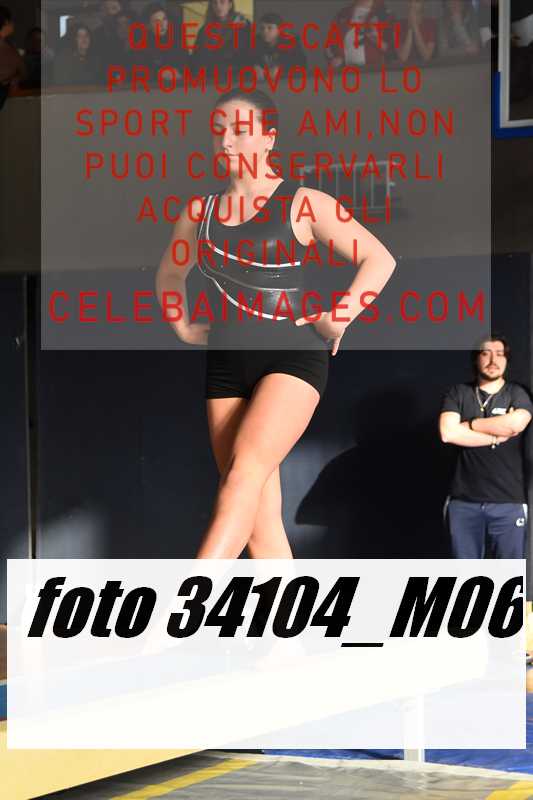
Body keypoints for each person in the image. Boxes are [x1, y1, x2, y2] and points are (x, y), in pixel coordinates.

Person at [156, 88, 396, 559]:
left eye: (240, 130)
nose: (227, 141)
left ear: (269, 138)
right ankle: (289, 611)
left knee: (242, 475)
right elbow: (169, 273)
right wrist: (182, 326)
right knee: (259, 524)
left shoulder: (304, 202)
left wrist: (341, 315)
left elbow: (378, 258)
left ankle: (185, 600)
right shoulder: (200, 213)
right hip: (226, 363)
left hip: (292, 356)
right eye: (219, 130)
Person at [439, 335, 533, 558]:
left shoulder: (517, 393)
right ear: (476, 359)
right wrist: (495, 437)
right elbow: (448, 433)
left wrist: (471, 425)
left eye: (500, 354)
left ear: (506, 360)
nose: (493, 360)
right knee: (465, 574)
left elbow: (515, 424)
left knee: (509, 574)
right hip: (463, 502)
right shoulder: (459, 393)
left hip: (508, 502)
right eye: (486, 353)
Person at [190, 0, 253, 75]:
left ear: (230, 5)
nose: (218, 6)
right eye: (215, 3)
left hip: (234, 74)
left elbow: (246, 55)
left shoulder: (243, 26)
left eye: (222, 2)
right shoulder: (204, 30)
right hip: (208, 75)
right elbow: (196, 56)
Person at [325, 0, 388, 69]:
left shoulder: (384, 14)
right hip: (348, 72)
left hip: (374, 71)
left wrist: (374, 38)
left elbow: (392, 51)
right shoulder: (343, 14)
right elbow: (330, 45)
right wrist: (335, 58)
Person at [396, 0, 437, 64]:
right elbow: (403, 57)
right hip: (404, 68)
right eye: (410, 1)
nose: (412, 4)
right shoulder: (397, 26)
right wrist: (410, 28)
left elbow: (426, 56)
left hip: (425, 68)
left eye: (417, 1)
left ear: (423, 3)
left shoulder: (431, 24)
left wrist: (415, 26)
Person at [0, 5, 25, 110]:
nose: (13, 24)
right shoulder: (6, 48)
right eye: (11, 21)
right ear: (6, 22)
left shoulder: (7, 46)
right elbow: (22, 70)